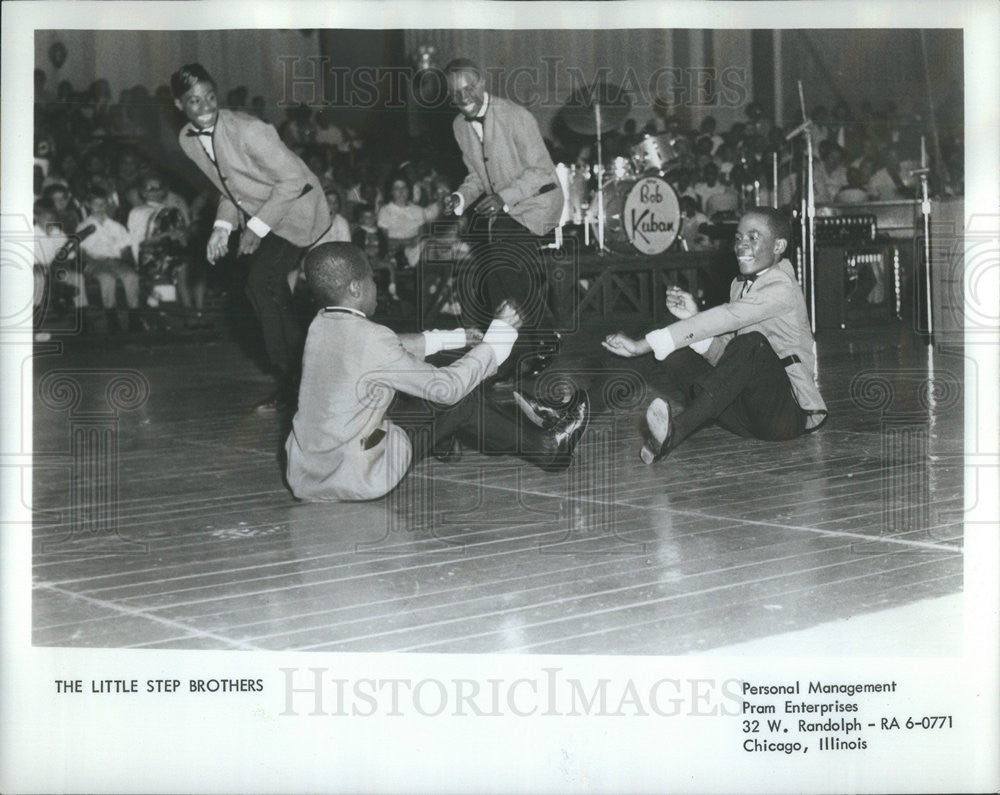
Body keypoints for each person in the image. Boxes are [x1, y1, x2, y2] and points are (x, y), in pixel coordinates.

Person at [284, 243, 590, 502]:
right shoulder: (371, 340)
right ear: (355, 287)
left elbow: (387, 348)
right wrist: (501, 334)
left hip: (310, 475)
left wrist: (454, 338)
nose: (376, 286)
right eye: (372, 279)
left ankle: (446, 440)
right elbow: (449, 388)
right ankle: (549, 449)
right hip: (358, 475)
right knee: (461, 398)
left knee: (417, 384)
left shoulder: (321, 324)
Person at [603, 207, 827, 464]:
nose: (741, 246)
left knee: (753, 343)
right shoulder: (740, 285)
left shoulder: (782, 287)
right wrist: (692, 317)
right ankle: (577, 415)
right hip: (742, 415)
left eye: (753, 238)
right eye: (738, 238)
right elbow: (727, 356)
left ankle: (675, 431)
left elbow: (727, 319)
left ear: (779, 246)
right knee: (673, 330)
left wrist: (642, 345)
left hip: (783, 419)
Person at [171, 63, 331, 408]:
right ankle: (297, 378)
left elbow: (294, 182)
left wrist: (256, 228)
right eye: (194, 101)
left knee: (263, 282)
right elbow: (229, 189)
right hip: (264, 209)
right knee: (260, 288)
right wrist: (221, 228)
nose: (206, 107)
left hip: (299, 209)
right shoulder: (187, 140)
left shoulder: (249, 130)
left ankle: (299, 380)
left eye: (210, 97)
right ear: (179, 105)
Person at [442, 58, 564, 377]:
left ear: (482, 84)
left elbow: (541, 172)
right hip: (505, 210)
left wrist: (504, 199)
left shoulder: (515, 116)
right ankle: (509, 355)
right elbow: (477, 177)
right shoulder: (458, 126)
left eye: (468, 89)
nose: (463, 97)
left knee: (502, 258)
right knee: (496, 278)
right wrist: (460, 197)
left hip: (538, 203)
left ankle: (547, 333)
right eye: (455, 93)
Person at [76, 186, 141, 332]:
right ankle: (112, 318)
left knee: (131, 276)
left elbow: (125, 248)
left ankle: (134, 317)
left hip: (115, 261)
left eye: (103, 203)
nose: (100, 207)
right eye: (96, 204)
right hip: (95, 262)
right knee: (107, 279)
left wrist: (129, 264)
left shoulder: (116, 226)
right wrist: (93, 263)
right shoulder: (83, 226)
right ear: (88, 205)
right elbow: (81, 251)